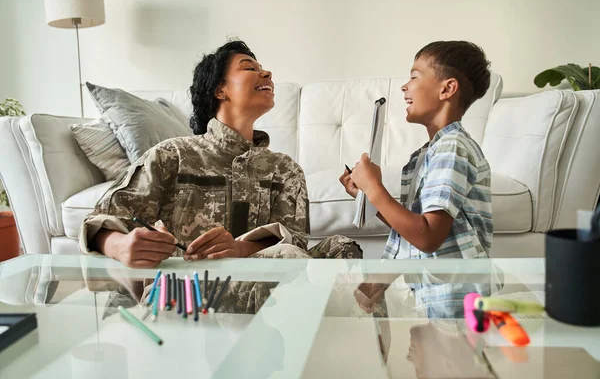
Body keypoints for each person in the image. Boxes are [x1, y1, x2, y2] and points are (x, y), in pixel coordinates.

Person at [79, 39, 362, 272]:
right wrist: (119, 246)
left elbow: (295, 244)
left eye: (263, 68)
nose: (267, 74)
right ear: (220, 90)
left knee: (341, 247)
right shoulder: (172, 155)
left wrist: (238, 249)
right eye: (249, 68)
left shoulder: (285, 169)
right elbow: (99, 222)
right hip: (195, 292)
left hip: (270, 287)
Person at [342, 41, 493, 312]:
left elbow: (428, 236)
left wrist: (375, 187)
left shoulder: (453, 148)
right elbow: (413, 229)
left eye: (413, 76)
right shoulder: (425, 155)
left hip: (459, 300)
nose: (404, 87)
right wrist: (366, 196)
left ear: (447, 88)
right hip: (436, 297)